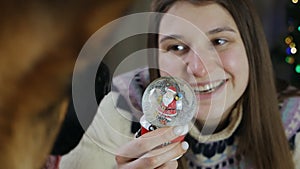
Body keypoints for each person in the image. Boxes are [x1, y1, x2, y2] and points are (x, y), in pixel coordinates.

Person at [60, 0, 300, 169]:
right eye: (176, 47)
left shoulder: (293, 120)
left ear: (251, 47)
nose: (199, 68)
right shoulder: (123, 105)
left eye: (219, 41)